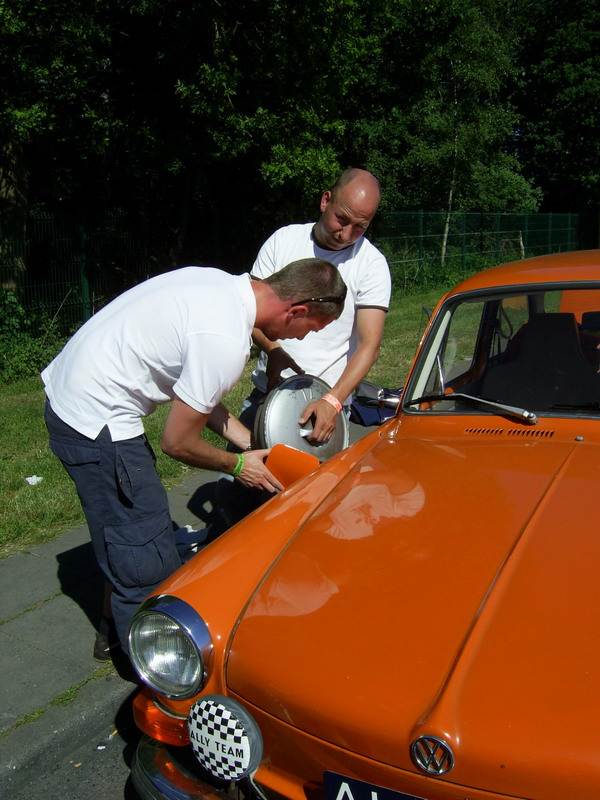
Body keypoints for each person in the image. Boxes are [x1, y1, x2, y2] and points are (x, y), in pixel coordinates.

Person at [42, 259, 346, 654]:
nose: (302, 339)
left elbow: (198, 397)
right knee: (147, 558)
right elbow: (177, 442)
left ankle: (114, 627)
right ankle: (156, 666)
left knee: (127, 532)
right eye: (309, 330)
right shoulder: (225, 340)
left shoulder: (219, 285)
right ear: (297, 311)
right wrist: (239, 466)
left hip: (75, 391)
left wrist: (251, 445)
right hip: (95, 420)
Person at [245, 167, 391, 443]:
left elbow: (369, 346)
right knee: (240, 468)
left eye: (360, 227)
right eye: (342, 219)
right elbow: (250, 309)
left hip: (325, 404)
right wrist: (273, 350)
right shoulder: (283, 241)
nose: (346, 234)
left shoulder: (372, 264)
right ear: (326, 201)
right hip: (268, 394)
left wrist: (333, 401)